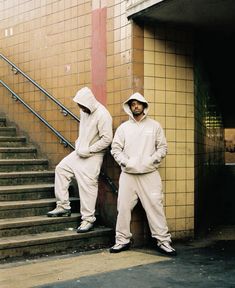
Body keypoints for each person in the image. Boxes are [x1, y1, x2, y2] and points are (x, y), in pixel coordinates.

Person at [109, 92, 176, 256]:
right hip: (128, 175)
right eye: (132, 104)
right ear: (129, 107)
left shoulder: (154, 126)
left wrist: (151, 161)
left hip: (149, 175)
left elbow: (162, 148)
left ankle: (163, 241)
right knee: (123, 208)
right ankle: (122, 241)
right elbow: (115, 149)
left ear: (144, 106)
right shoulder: (124, 128)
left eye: (138, 103)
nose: (136, 106)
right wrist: (126, 162)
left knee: (155, 207)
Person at [47, 87, 113, 233]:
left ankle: (88, 220)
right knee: (61, 169)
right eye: (79, 105)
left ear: (89, 102)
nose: (80, 108)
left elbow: (107, 139)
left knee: (87, 186)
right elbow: (84, 131)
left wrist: (89, 150)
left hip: (94, 155)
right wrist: (79, 144)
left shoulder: (103, 114)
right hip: (79, 152)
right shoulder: (84, 111)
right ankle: (63, 206)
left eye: (82, 105)